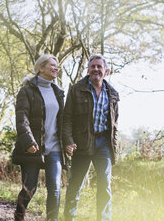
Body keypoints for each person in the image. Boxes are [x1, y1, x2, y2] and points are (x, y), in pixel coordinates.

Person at [62, 54, 119, 221]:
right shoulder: (76, 89)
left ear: (106, 71)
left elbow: (114, 125)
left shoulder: (113, 94)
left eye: (99, 67)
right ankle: (69, 218)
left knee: (105, 186)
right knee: (75, 185)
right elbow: (67, 118)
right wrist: (68, 141)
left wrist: (114, 147)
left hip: (104, 144)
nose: (95, 69)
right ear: (88, 70)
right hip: (82, 142)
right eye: (92, 66)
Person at [12, 54, 68, 221]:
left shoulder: (58, 92)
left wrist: (68, 142)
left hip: (55, 148)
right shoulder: (27, 91)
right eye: (52, 65)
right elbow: (22, 119)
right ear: (40, 68)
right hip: (33, 146)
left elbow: (63, 121)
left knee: (55, 189)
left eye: (57, 65)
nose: (56, 68)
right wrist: (28, 141)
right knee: (29, 188)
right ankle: (19, 216)